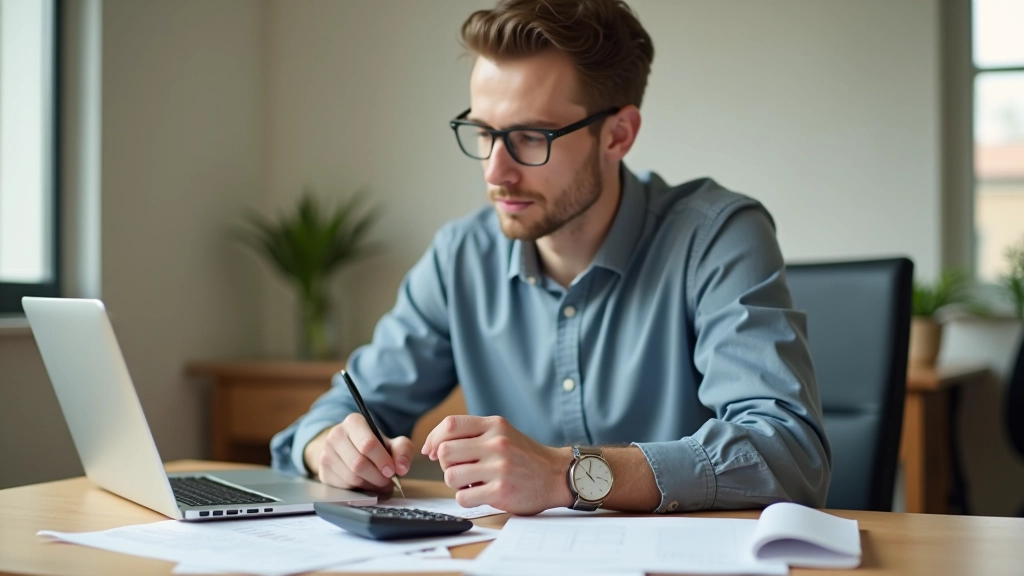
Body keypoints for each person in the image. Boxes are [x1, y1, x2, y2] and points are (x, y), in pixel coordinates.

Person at [271, 0, 831, 516]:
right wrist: (331, 450)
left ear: (618, 134)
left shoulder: (717, 237)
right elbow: (326, 421)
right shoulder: (459, 258)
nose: (495, 171)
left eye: (530, 138)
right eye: (484, 132)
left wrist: (567, 474)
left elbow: (787, 451)